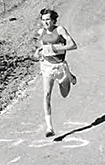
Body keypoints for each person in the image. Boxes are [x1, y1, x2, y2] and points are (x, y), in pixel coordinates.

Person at [33, 8, 78, 137]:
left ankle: (69, 76)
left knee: (64, 94)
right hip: (47, 67)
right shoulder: (40, 32)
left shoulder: (60, 30)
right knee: (46, 95)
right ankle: (49, 128)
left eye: (48, 20)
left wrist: (56, 49)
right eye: (43, 20)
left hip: (60, 67)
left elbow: (73, 45)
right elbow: (40, 48)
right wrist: (38, 52)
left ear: (53, 20)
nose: (45, 22)